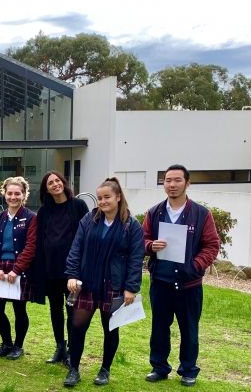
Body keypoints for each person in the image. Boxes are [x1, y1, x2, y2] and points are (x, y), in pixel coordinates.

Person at [143, 165, 220, 387]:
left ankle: (188, 369)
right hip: (161, 282)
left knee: (189, 329)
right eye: (168, 180)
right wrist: (150, 246)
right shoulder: (154, 212)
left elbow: (212, 245)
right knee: (159, 328)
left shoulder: (201, 214)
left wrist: (195, 265)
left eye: (177, 180)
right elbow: (142, 238)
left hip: (189, 284)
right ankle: (159, 367)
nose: (172, 185)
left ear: (187, 183)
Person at [63, 177, 144, 387]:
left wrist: (131, 288)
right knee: (77, 326)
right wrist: (72, 274)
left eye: (107, 197)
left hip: (114, 286)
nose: (103, 201)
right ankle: (74, 369)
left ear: (118, 197)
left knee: (110, 328)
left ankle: (105, 369)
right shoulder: (89, 219)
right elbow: (76, 248)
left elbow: (136, 258)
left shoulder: (131, 225)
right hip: (87, 283)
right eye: (99, 198)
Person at [31, 171, 88, 365]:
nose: (55, 184)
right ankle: (60, 347)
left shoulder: (78, 205)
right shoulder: (44, 211)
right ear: (46, 189)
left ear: (63, 183)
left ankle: (72, 350)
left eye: (57, 180)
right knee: (55, 309)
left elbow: (86, 235)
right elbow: (40, 240)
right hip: (51, 268)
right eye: (50, 183)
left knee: (72, 309)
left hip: (72, 270)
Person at [0, 176, 37, 360]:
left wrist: (17, 270)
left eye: (17, 193)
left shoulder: (31, 218)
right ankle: (6, 343)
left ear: (24, 195)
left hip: (20, 269)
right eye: (10, 193)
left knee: (19, 310)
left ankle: (18, 346)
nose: (13, 197)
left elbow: (31, 246)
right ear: (4, 194)